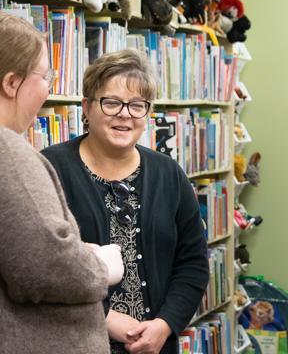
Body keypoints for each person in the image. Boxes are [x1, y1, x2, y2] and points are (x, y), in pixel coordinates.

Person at [0, 11, 124, 353]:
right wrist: (101, 265)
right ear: (11, 83)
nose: (48, 88)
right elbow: (46, 266)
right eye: (44, 76)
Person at [42, 49, 209, 354]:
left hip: (156, 345)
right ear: (86, 107)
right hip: (76, 342)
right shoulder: (50, 169)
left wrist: (165, 324)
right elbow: (40, 269)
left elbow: (193, 263)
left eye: (137, 106)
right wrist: (103, 317)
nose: (125, 114)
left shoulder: (168, 173)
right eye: (111, 102)